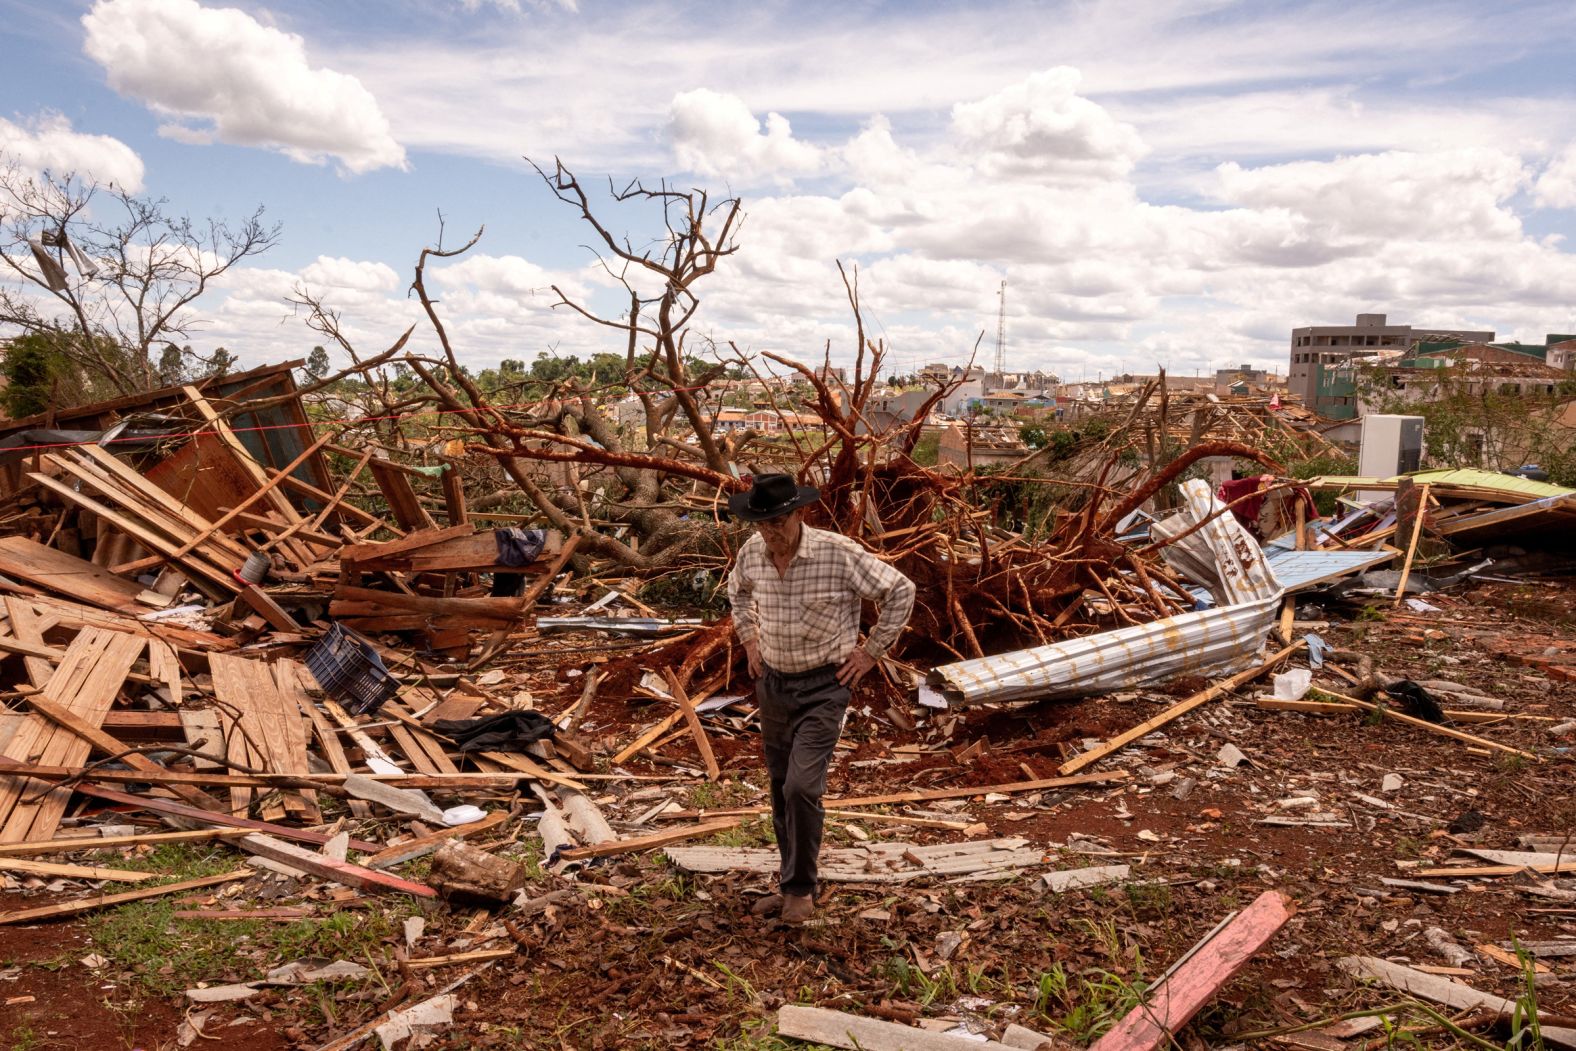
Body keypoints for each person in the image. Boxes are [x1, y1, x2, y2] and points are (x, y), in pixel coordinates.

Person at [726, 473, 915, 924]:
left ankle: (801, 888)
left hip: (823, 687)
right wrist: (750, 641)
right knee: (779, 788)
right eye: (761, 525)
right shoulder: (753, 552)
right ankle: (791, 882)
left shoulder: (837, 553)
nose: (770, 533)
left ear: (797, 514)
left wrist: (870, 653)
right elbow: (738, 594)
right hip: (773, 684)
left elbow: (900, 590)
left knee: (801, 787)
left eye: (777, 522)